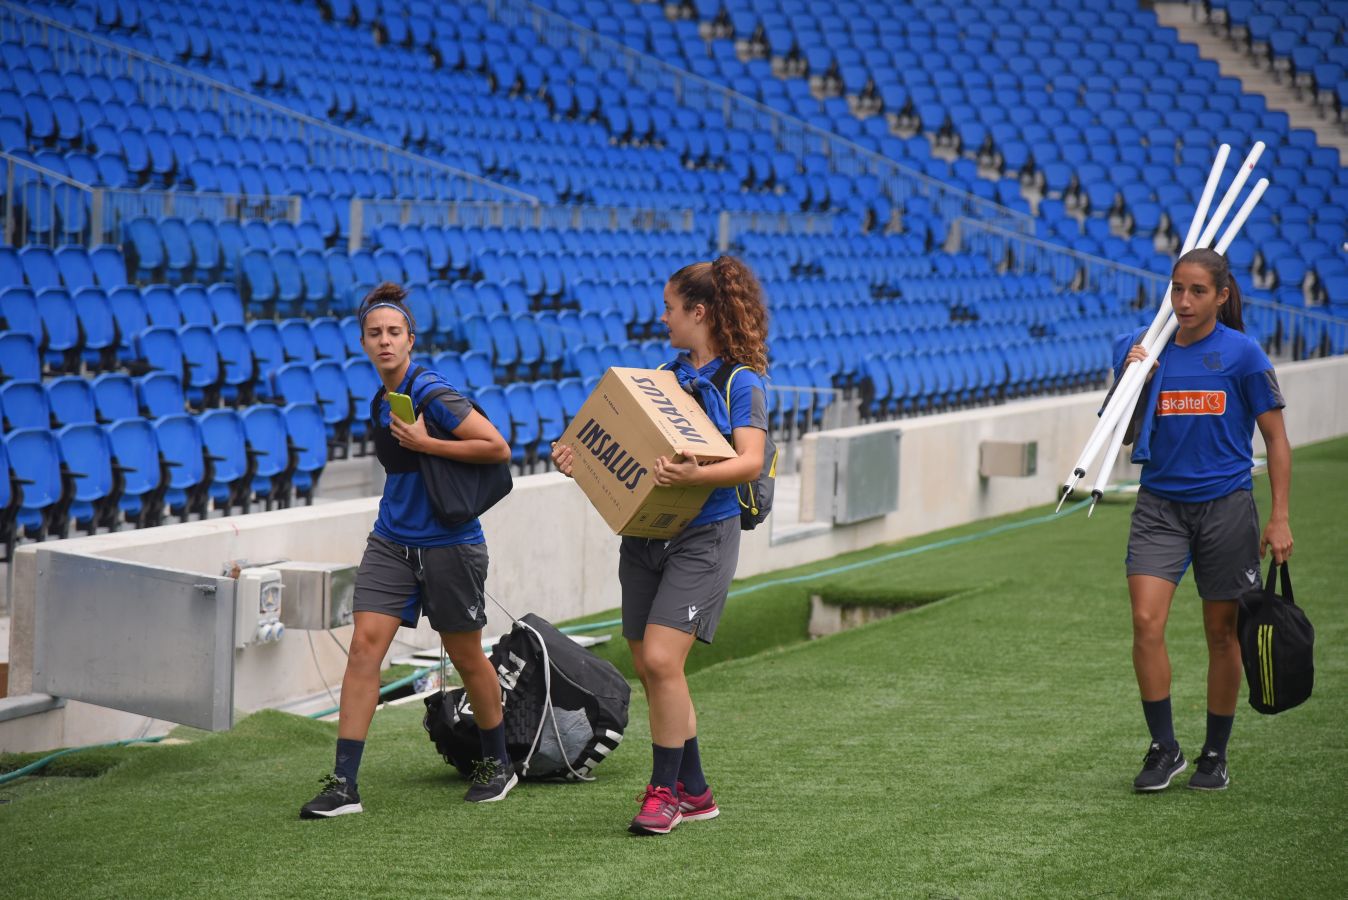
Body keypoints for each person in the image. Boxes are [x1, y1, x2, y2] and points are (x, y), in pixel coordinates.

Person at [552, 257, 769, 835]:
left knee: (659, 660)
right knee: (653, 670)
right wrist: (580, 462)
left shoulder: (740, 381)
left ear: (698, 312)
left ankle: (664, 793)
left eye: (670, 308)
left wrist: (694, 478)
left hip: (704, 535)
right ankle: (695, 790)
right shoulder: (662, 378)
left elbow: (750, 459)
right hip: (646, 536)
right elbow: (631, 456)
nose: (663, 318)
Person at [301, 283, 516, 817]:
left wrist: (429, 443)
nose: (384, 341)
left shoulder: (433, 391)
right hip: (391, 541)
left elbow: (497, 446)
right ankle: (344, 784)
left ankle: (499, 763)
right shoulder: (382, 399)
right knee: (363, 649)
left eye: (394, 332)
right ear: (363, 342)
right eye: (374, 334)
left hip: (451, 545)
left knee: (467, 656)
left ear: (411, 339)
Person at [1119, 248, 1292, 793]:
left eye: (1197, 291)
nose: (1184, 301)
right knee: (1146, 623)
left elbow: (1277, 440)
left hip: (1226, 507)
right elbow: (1123, 436)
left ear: (1221, 295)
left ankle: (1214, 753)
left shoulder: (1242, 354)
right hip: (1158, 506)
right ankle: (1164, 747)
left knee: (1222, 635)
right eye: (1176, 290)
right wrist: (1135, 378)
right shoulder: (1147, 348)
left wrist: (1279, 517)